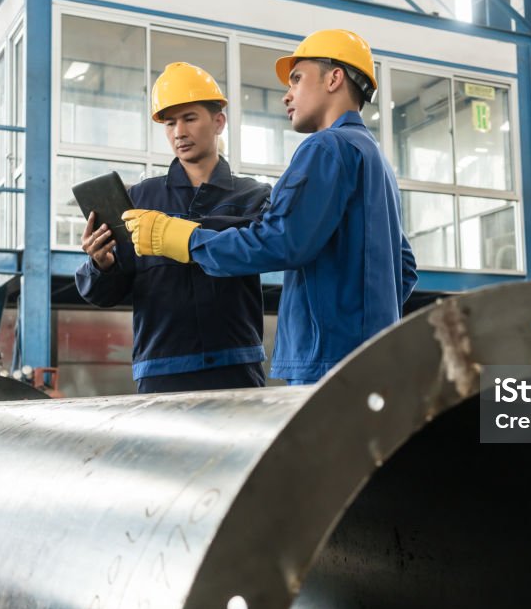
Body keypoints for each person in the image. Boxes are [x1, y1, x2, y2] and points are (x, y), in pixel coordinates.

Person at [124, 29, 417, 385]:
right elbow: (404, 267)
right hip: (371, 357)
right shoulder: (374, 159)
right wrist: (361, 322)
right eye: (169, 123)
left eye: (296, 79)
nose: (287, 95)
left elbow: (281, 241)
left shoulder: (325, 148)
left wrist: (183, 238)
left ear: (334, 78)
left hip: (327, 364)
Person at [76, 62, 271, 393]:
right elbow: (103, 294)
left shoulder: (253, 196)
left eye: (190, 118)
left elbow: (261, 252)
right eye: (169, 123)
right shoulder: (138, 199)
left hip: (235, 366)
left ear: (219, 121)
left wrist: (176, 230)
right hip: (161, 369)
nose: (179, 132)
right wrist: (101, 264)